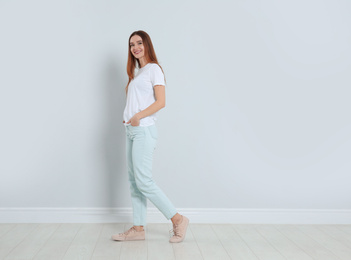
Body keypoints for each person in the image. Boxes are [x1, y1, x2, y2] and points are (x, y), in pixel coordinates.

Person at [111, 30, 189, 243]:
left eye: (138, 43)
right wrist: (128, 118)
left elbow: (161, 102)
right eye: (131, 45)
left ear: (147, 44)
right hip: (132, 131)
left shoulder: (154, 69)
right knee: (134, 182)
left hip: (144, 130)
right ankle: (138, 229)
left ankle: (178, 219)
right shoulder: (138, 73)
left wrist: (137, 116)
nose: (135, 47)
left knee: (143, 181)